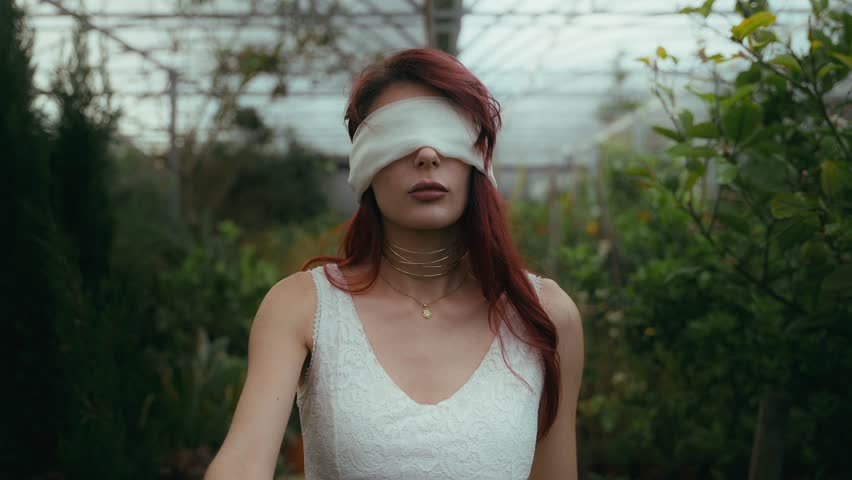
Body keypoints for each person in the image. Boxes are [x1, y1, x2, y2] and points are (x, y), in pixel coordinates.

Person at [205, 47, 584, 480]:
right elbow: (243, 462)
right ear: (365, 162)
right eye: (399, 133)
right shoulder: (301, 307)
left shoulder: (545, 315)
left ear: (477, 160)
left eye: (447, 132)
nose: (426, 153)